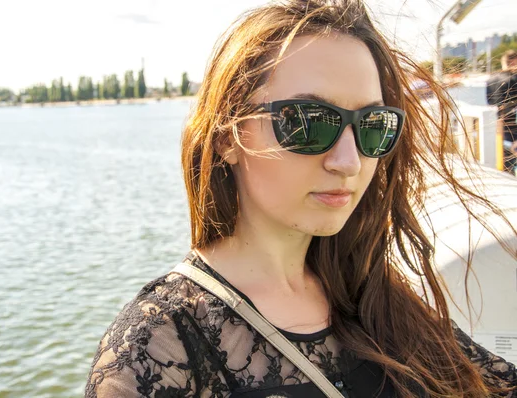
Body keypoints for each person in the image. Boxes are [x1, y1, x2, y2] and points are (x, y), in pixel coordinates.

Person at [85, 1, 517, 397]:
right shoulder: (156, 347)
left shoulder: (375, 295)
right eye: (309, 123)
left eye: (373, 125)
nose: (349, 161)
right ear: (226, 138)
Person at [487, 50, 517, 174]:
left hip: (497, 125)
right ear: (513, 61)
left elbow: (489, 101)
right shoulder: (514, 78)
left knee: (503, 160)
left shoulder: (491, 79)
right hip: (513, 127)